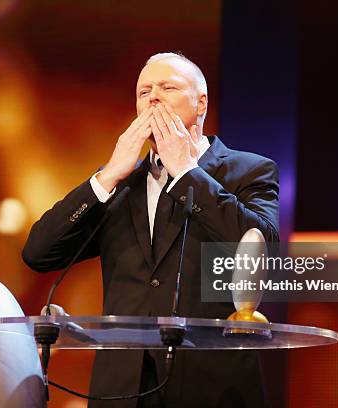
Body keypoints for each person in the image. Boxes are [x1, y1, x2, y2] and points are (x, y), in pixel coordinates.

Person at [22, 52, 279, 408]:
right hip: (122, 389)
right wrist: (108, 175)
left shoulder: (248, 171)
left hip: (211, 386)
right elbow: (39, 253)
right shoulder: (121, 185)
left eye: (167, 87)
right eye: (144, 92)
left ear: (201, 102)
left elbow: (262, 248)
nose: (153, 97)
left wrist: (188, 173)